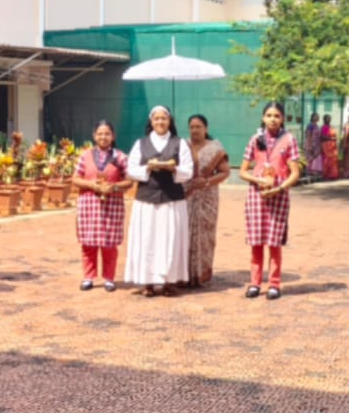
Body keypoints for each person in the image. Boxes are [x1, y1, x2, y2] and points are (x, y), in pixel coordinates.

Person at [238, 101, 305, 300]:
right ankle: (255, 283)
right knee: (256, 241)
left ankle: (274, 284)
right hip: (257, 195)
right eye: (269, 115)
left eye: (277, 116)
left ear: (282, 118)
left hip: (279, 195)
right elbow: (243, 171)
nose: (273, 119)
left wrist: (279, 188)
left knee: (274, 242)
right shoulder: (255, 139)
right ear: (263, 117)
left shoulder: (289, 140)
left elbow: (295, 173)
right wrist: (258, 180)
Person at [125, 106, 194, 296]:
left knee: (170, 240)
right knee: (147, 239)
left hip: (172, 200)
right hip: (146, 200)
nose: (160, 122)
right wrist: (147, 168)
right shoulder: (141, 143)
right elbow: (131, 169)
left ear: (170, 121)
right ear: (151, 121)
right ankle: (147, 282)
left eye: (164, 118)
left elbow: (188, 170)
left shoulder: (179, 143)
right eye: (156, 119)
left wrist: (174, 169)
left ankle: (168, 281)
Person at [71, 120, 129, 291]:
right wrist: (91, 185)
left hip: (112, 205)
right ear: (94, 136)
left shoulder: (120, 157)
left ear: (113, 136)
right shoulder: (85, 156)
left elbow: (130, 181)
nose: (103, 137)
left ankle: (109, 278)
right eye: (100, 134)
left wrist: (114, 187)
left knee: (109, 244)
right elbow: (75, 178)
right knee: (88, 243)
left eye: (107, 134)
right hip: (89, 204)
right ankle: (88, 277)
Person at [186, 114, 230, 288]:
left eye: (198, 127)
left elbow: (225, 172)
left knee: (205, 236)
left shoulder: (215, 148)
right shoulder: (183, 146)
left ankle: (201, 274)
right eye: (192, 127)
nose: (195, 130)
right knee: (184, 234)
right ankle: (183, 275)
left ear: (206, 128)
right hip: (186, 196)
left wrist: (206, 182)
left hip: (207, 198)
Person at [320, 114, 340, 181]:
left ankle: (333, 175)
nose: (329, 120)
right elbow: (322, 137)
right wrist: (331, 138)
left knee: (333, 160)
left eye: (329, 118)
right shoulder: (324, 127)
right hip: (327, 146)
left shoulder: (331, 127)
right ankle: (326, 175)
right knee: (327, 160)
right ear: (324, 120)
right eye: (327, 118)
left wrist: (334, 139)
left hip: (333, 146)